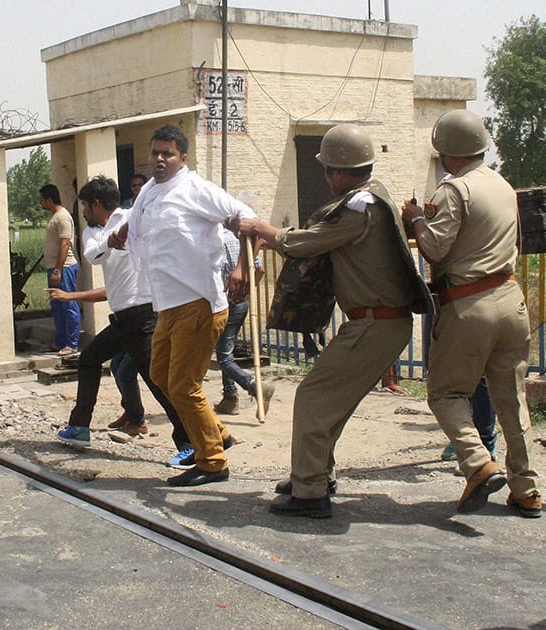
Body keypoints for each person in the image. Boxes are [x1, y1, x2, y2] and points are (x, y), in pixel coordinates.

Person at [236, 124, 433, 518]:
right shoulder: (374, 197)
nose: (325, 176)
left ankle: (310, 493)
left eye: (328, 169)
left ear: (342, 170)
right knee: (331, 403)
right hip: (377, 322)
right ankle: (313, 474)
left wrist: (260, 229)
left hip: (375, 323)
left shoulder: (360, 206)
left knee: (312, 396)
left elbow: (303, 242)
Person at [402, 109, 540, 518]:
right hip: (510, 298)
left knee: (445, 393)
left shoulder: (454, 189)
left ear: (446, 152)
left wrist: (416, 220)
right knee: (512, 401)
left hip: (468, 303)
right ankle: (527, 489)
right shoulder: (503, 185)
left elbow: (437, 249)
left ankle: (477, 462)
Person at [109, 125, 256, 486]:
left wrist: (241, 269)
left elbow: (247, 218)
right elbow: (138, 223)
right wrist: (121, 234)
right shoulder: (148, 193)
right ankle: (217, 432)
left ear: (182, 158)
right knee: (160, 374)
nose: (159, 159)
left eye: (168, 154)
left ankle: (212, 462)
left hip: (200, 302)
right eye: (155, 152)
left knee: (183, 386)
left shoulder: (197, 190)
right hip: (167, 305)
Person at [49, 175, 224, 463]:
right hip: (123, 319)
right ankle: (79, 427)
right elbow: (94, 255)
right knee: (90, 359)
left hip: (144, 314)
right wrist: (114, 238)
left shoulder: (133, 218)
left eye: (84, 206)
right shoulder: (95, 232)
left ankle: (192, 442)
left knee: (158, 380)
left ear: (95, 203)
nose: (82, 212)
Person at [213, 229, 275, 417]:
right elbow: (260, 269)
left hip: (225, 304)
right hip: (242, 304)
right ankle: (230, 398)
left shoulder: (216, 241)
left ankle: (253, 385)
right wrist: (247, 290)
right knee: (226, 350)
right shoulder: (236, 240)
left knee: (224, 357)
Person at [40, 184, 80, 356]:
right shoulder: (55, 216)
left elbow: (65, 244)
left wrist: (58, 270)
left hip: (64, 268)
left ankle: (72, 344)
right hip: (54, 267)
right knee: (58, 306)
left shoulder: (62, 217)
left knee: (69, 304)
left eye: (41, 199)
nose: (40, 202)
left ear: (49, 199)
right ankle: (60, 341)